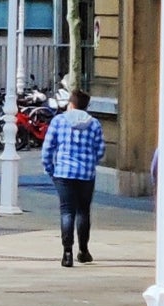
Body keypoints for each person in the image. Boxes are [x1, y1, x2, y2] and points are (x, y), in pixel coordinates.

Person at [41, 88, 105, 267]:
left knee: (67, 211)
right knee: (83, 211)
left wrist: (49, 168)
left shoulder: (58, 121)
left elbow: (47, 148)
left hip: (63, 173)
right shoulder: (94, 124)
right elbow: (100, 150)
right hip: (86, 174)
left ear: (71, 104)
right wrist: (91, 162)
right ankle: (83, 251)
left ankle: (67, 253)